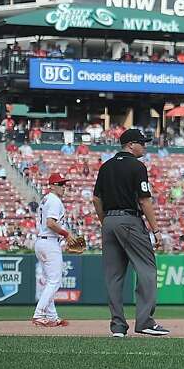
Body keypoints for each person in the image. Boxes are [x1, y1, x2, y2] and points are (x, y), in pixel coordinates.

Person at [92, 128, 170, 337]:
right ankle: (144, 321)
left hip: (109, 221)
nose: (145, 146)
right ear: (130, 145)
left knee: (113, 277)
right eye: (142, 143)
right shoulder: (137, 166)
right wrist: (157, 230)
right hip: (129, 220)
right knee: (147, 269)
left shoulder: (105, 166)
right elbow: (144, 200)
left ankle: (118, 326)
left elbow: (96, 199)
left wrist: (105, 222)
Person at [32, 173, 73, 327]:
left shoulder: (46, 199)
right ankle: (39, 314)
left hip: (42, 242)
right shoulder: (54, 200)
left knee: (50, 282)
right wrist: (66, 234)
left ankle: (52, 316)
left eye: (64, 184)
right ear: (52, 186)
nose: (63, 187)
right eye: (60, 184)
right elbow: (50, 223)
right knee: (54, 282)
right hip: (49, 243)